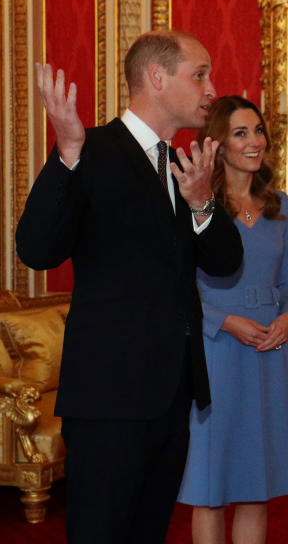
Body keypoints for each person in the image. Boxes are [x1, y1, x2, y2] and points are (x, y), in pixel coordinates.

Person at [16, 31, 244, 543]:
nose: (212, 88)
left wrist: (203, 202)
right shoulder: (89, 149)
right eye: (200, 74)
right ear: (157, 78)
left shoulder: (186, 167)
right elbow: (35, 249)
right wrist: (67, 153)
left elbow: (227, 263)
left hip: (172, 395)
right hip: (107, 397)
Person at [177, 95, 288, 544]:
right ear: (217, 144)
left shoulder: (279, 205)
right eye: (241, 133)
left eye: (258, 131)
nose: (255, 142)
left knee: (258, 487)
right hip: (215, 351)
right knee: (210, 486)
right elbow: (179, 288)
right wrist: (226, 321)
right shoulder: (196, 206)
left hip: (270, 353)